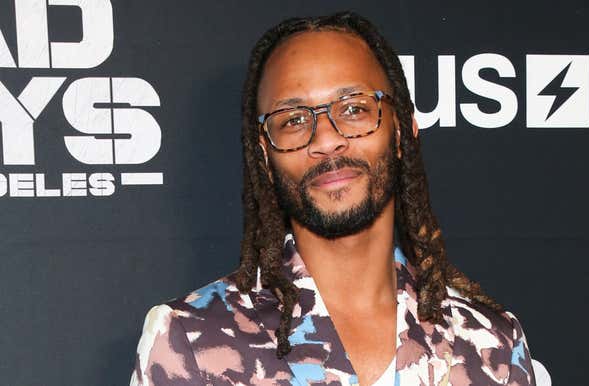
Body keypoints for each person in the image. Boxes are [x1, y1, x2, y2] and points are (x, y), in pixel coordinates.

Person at [130, 11, 537, 386]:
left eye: (355, 109)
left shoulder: (491, 344)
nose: (326, 139)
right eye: (293, 120)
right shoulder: (191, 339)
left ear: (401, 132)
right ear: (264, 154)